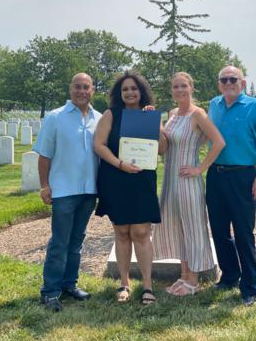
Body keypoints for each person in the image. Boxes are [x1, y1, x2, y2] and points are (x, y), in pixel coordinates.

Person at [33, 73, 102, 312]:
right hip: (64, 191)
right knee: (60, 243)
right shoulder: (55, 117)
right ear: (70, 88)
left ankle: (69, 284)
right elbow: (44, 155)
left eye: (86, 87)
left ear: (93, 90)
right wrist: (44, 185)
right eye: (77, 87)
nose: (82, 91)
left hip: (88, 191)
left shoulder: (99, 119)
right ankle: (50, 292)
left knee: (76, 241)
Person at [152, 72, 225, 296]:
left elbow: (219, 142)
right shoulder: (172, 114)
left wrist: (199, 168)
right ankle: (183, 276)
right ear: (171, 90)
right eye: (175, 86)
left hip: (187, 180)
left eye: (184, 86)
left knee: (192, 227)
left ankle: (193, 281)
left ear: (191, 88)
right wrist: (153, 122)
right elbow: (164, 144)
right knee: (176, 227)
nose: (180, 90)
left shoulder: (198, 114)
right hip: (170, 180)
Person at [206, 65, 256, 307]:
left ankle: (249, 286)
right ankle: (230, 275)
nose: (228, 82)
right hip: (215, 175)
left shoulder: (255, 107)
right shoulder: (213, 105)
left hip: (243, 176)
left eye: (233, 79)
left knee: (244, 233)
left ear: (242, 83)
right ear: (219, 83)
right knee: (219, 230)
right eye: (224, 79)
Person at [94, 71, 161, 305]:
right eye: (125, 89)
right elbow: (99, 145)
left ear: (141, 91)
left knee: (142, 233)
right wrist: (120, 164)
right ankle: (124, 283)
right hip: (116, 179)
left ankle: (147, 286)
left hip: (142, 181)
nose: (130, 92)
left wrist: (155, 124)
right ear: (119, 94)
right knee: (122, 232)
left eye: (134, 88)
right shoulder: (111, 115)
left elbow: (162, 149)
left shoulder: (149, 115)